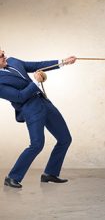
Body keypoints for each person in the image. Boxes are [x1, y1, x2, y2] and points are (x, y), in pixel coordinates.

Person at [0, 48, 76, 188]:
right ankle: (12, 177)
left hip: (44, 103)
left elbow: (36, 65)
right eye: (1, 55)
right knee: (37, 144)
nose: (5, 56)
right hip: (31, 110)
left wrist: (62, 62)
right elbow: (19, 97)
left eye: (3, 52)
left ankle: (50, 174)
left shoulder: (13, 61)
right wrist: (36, 82)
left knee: (65, 139)